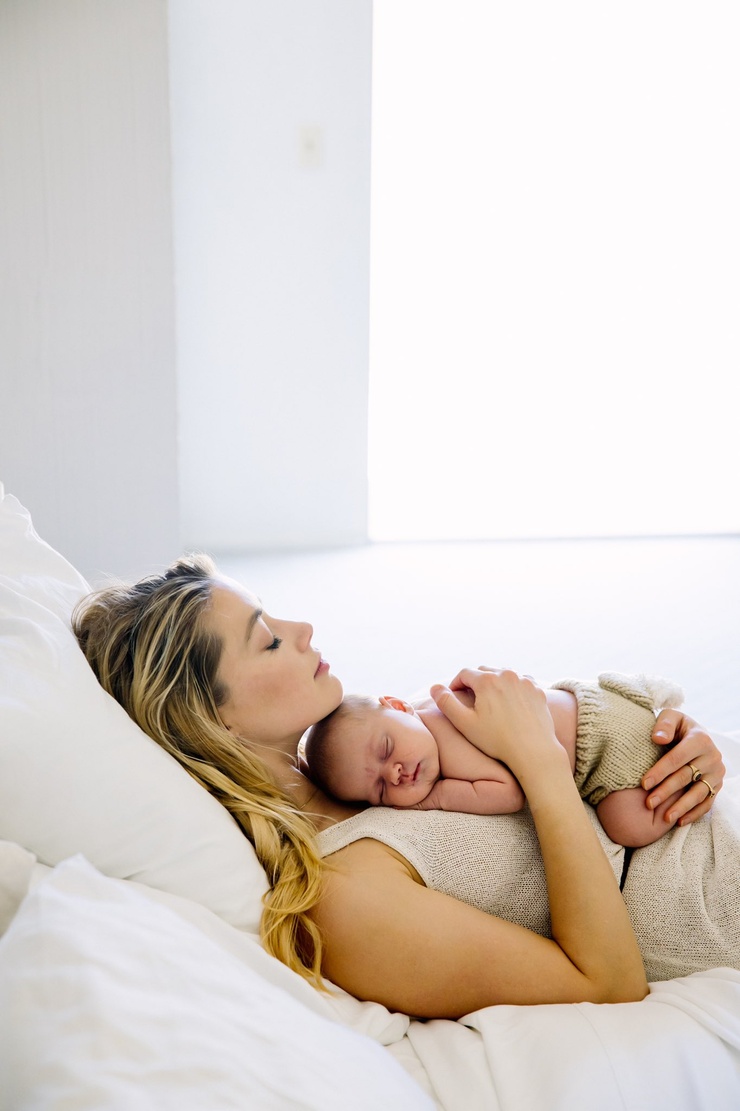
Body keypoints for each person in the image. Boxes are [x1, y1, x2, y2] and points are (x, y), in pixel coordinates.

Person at [72, 555, 732, 1020]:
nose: (303, 630)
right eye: (268, 640)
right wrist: (539, 761)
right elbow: (608, 983)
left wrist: (664, 738)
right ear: (217, 719)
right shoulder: (345, 894)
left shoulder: (369, 758)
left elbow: (574, 736)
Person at [303, 674, 701, 848]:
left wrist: (436, 798)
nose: (396, 774)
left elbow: (508, 793)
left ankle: (684, 793)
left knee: (627, 827)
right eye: (379, 789)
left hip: (603, 742)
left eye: (387, 749)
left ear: (398, 705)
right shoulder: (429, 709)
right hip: (593, 703)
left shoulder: (444, 732)